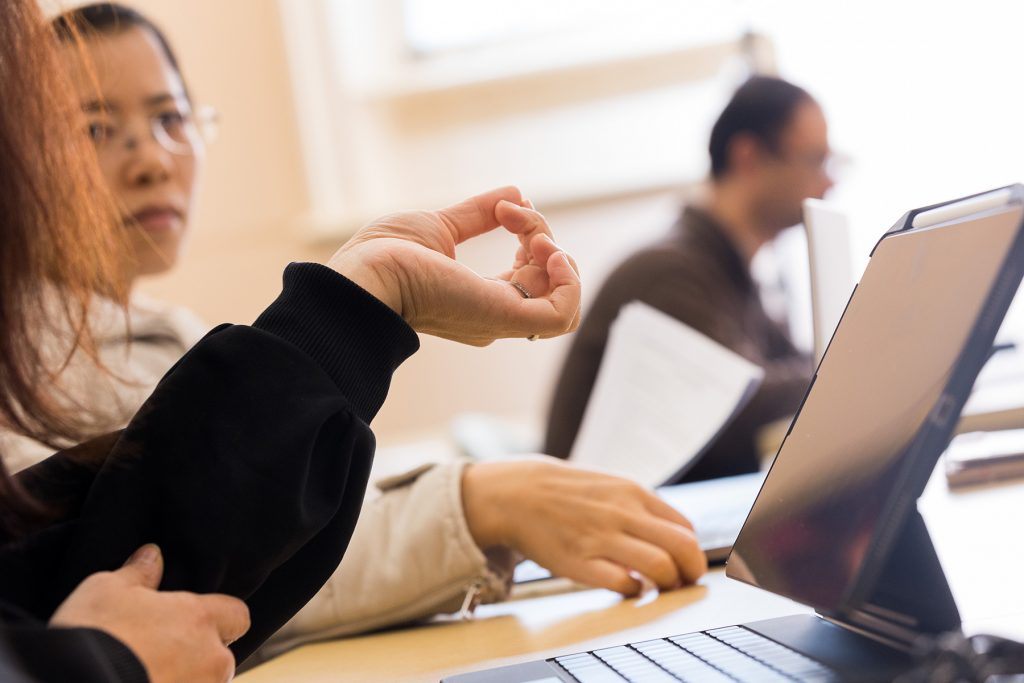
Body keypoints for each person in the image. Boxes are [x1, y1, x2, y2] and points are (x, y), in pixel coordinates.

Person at [0, 3, 704, 679]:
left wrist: (369, 302)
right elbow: (173, 561)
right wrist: (476, 500)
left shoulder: (175, 330)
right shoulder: (29, 363)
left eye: (170, 117)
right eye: (95, 129)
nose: (152, 159)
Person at [545, 75, 834, 482]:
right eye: (815, 160)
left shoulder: (732, 272)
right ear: (749, 156)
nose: (829, 181)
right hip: (603, 535)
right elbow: (739, 410)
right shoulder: (669, 273)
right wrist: (850, 369)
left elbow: (801, 367)